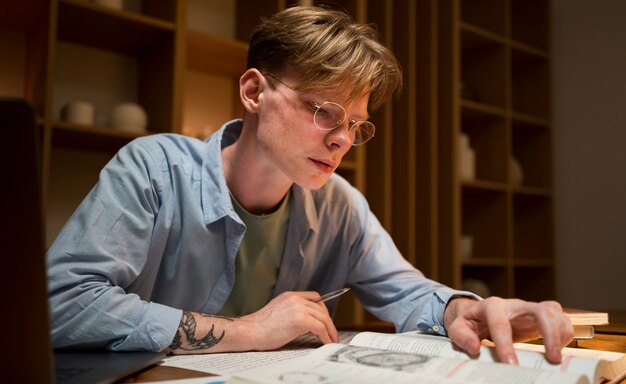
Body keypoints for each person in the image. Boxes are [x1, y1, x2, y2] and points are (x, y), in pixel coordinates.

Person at [47, 6, 573, 365]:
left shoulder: (339, 204)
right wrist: (250, 330)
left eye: (357, 125)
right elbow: (61, 303)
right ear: (255, 90)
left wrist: (465, 309)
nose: (344, 139)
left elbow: (409, 293)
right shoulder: (155, 168)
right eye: (325, 110)